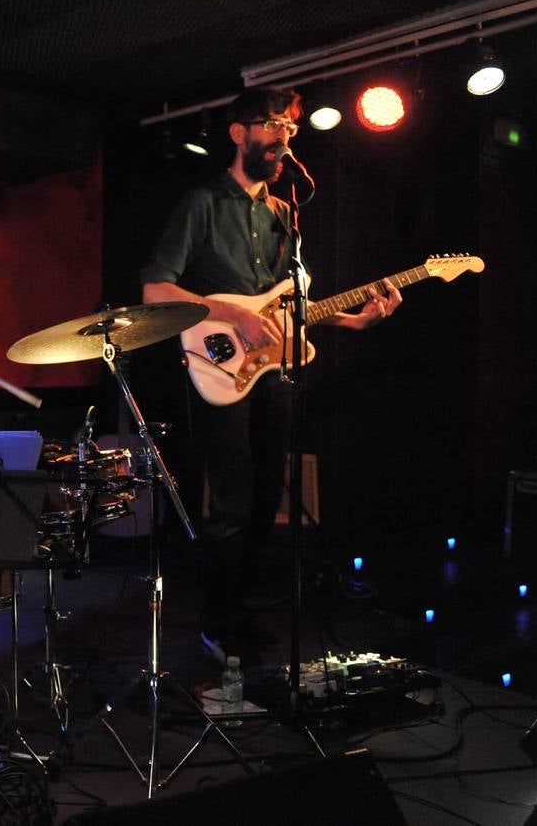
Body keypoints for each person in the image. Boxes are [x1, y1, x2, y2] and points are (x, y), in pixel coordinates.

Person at [139, 87, 402, 666]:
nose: (283, 134)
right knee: (231, 502)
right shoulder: (202, 203)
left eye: (289, 125)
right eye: (270, 123)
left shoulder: (287, 215)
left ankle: (239, 613)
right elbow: (156, 289)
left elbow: (294, 309)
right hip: (218, 363)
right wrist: (233, 313)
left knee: (264, 500)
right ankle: (215, 621)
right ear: (239, 133)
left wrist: (357, 319)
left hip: (275, 371)